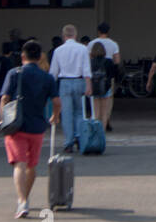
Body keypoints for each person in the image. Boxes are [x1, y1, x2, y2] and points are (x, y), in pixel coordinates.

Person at [0, 40, 60, 219]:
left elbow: (4, 98)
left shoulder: (14, 73)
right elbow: (57, 102)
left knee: (19, 164)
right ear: (40, 57)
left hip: (16, 125)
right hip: (37, 126)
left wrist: (3, 119)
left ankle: (22, 201)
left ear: (22, 56)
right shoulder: (47, 77)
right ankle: (26, 197)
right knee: (31, 165)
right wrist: (55, 116)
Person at [48, 24, 92, 153]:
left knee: (66, 113)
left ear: (64, 36)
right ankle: (79, 136)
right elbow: (86, 68)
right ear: (75, 35)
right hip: (79, 80)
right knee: (79, 111)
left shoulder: (58, 50)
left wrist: (50, 89)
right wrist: (88, 84)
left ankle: (68, 143)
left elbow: (53, 72)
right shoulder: (83, 49)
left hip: (65, 82)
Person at [91, 22, 122, 131]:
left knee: (95, 107)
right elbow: (117, 61)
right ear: (108, 31)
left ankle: (96, 127)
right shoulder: (113, 44)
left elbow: (87, 60)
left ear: (98, 31)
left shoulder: (92, 43)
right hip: (108, 77)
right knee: (107, 105)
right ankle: (106, 123)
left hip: (94, 79)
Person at [89, 40, 118, 132]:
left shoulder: (91, 62)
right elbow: (113, 74)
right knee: (104, 112)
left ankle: (95, 131)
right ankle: (102, 131)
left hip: (95, 88)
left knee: (96, 111)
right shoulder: (108, 61)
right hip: (106, 87)